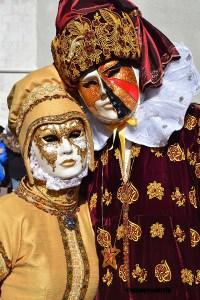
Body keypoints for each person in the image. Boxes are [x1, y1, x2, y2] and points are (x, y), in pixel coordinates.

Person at [52, 0, 200, 299]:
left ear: (138, 64)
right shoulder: (87, 144)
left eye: (113, 71)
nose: (105, 93)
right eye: (89, 84)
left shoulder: (186, 126)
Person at [0, 65, 99, 299]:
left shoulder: (93, 209)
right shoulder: (7, 217)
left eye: (75, 134)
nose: (67, 149)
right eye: (51, 138)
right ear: (29, 149)